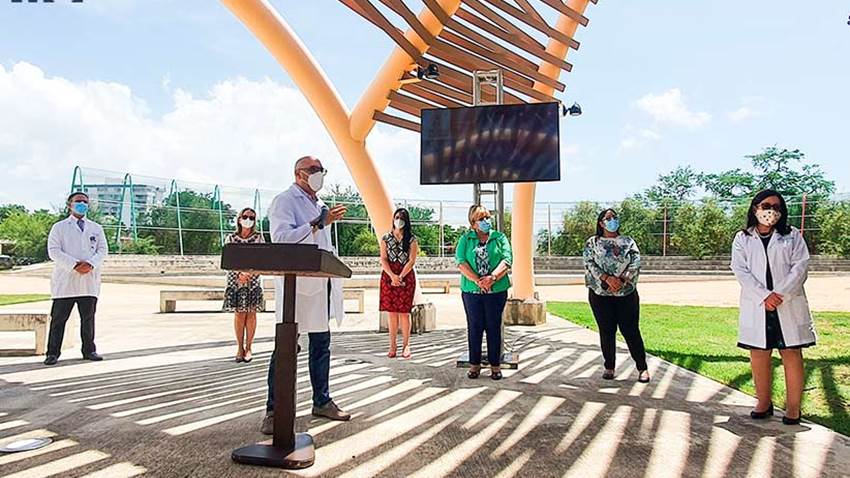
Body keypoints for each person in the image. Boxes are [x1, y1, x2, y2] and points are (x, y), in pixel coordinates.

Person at [261, 156, 350, 435]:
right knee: (287, 346)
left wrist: (321, 223)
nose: (319, 174)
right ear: (299, 174)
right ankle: (274, 410)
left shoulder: (320, 206)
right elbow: (281, 238)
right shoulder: (285, 201)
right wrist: (317, 224)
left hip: (320, 283)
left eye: (321, 170)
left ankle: (322, 401)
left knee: (321, 344)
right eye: (313, 170)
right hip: (295, 287)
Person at [731, 189, 815, 425]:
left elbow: (800, 267)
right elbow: (740, 270)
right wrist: (764, 296)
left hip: (786, 303)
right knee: (759, 353)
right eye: (766, 206)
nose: (771, 211)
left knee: (791, 352)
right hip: (758, 305)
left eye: (777, 207)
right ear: (755, 208)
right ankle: (763, 402)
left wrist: (779, 294)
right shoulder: (743, 238)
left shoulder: (792, 235)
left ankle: (793, 408)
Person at [583, 208, 650, 383]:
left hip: (626, 293)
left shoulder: (628, 241)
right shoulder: (592, 242)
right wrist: (607, 279)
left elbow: (635, 261)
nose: (612, 220)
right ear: (601, 223)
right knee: (606, 331)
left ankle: (642, 368)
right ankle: (609, 367)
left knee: (631, 331)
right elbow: (589, 263)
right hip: (600, 294)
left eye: (615, 217)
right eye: (608, 218)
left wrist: (622, 280)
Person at [44, 191, 108, 366]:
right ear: (69, 205)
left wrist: (90, 264)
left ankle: (89, 350)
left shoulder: (96, 228)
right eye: (78, 201)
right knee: (59, 320)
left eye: (85, 202)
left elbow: (102, 250)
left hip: (89, 281)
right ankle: (52, 353)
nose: (82, 204)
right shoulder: (59, 227)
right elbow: (54, 251)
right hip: (66, 281)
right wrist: (74, 265)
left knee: (88, 319)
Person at [455, 205, 512, 380]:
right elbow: (460, 262)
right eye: (481, 219)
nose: (486, 221)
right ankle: (475, 365)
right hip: (472, 292)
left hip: (496, 291)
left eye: (487, 217)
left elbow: (507, 259)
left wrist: (492, 278)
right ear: (473, 223)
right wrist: (477, 281)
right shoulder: (466, 239)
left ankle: (495, 366)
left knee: (494, 327)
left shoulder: (499, 237)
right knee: (475, 327)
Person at [223, 207, 265, 363]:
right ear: (239, 218)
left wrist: (249, 273)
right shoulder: (231, 238)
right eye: (246, 216)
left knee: (251, 313)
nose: (248, 220)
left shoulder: (259, 238)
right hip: (236, 280)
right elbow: (227, 259)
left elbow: (263, 259)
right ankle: (239, 347)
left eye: (252, 218)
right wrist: (240, 273)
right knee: (239, 314)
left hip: (253, 279)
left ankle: (249, 347)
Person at [379, 208, 419, 359]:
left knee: (404, 312)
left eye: (402, 218)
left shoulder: (411, 240)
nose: (399, 221)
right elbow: (383, 259)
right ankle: (392, 345)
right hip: (389, 276)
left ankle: (406, 345)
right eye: (396, 217)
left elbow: (412, 260)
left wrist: (400, 276)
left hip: (406, 276)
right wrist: (392, 276)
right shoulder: (386, 238)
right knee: (392, 312)